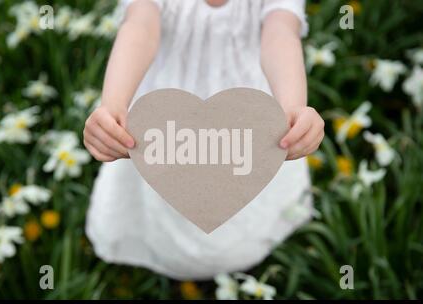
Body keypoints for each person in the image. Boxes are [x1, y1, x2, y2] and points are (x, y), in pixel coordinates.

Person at [84, 0, 325, 280]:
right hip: (167, 119)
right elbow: (140, 27)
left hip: (243, 116)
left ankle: (245, 246)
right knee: (165, 196)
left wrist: (292, 106)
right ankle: (156, 245)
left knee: (238, 196)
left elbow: (280, 35)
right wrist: (113, 105)